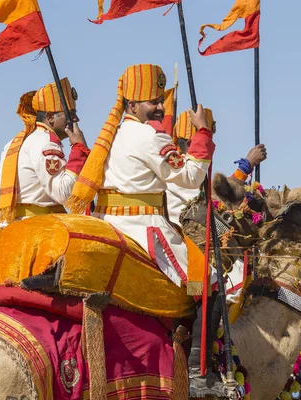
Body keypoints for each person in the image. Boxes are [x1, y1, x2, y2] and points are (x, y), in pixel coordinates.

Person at [66, 64, 226, 397]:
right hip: (142, 228)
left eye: (159, 100)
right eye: (152, 101)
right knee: (210, 280)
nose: (159, 106)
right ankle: (199, 372)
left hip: (108, 225)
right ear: (133, 105)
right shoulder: (150, 136)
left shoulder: (112, 134)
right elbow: (190, 177)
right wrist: (202, 134)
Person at [0, 78, 89, 224]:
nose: (76, 119)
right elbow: (64, 194)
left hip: (12, 224)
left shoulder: (14, 142)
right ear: (50, 117)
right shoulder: (47, 143)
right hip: (39, 228)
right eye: (70, 114)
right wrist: (78, 150)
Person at [166, 108, 267, 224]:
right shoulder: (180, 169)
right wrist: (245, 166)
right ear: (191, 144)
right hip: (184, 238)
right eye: (207, 142)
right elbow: (217, 197)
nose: (212, 147)